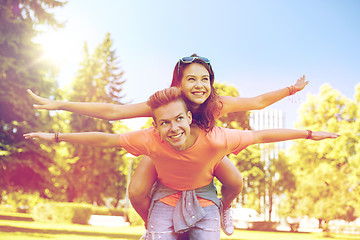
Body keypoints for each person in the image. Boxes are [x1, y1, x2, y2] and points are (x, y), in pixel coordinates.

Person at [27, 54, 308, 235]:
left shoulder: (216, 104)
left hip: (207, 151)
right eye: (191, 79)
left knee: (235, 180)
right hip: (163, 149)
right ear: (179, 84)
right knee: (136, 190)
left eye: (205, 79)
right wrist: (62, 105)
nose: (199, 85)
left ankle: (224, 208)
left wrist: (291, 90)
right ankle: (153, 227)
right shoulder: (165, 105)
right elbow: (114, 112)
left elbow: (257, 103)